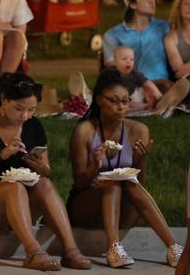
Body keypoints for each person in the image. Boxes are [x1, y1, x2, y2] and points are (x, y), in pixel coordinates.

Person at [0, 73, 91, 271]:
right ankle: (33, 252)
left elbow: (46, 170)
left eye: (32, 109)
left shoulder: (33, 125)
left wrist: (39, 166)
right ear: (3, 100)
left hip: (24, 194)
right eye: (19, 109)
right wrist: (0, 154)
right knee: (14, 188)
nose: (25, 116)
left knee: (45, 184)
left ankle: (70, 251)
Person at [67, 68, 183, 268]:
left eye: (126, 100)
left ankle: (173, 248)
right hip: (86, 205)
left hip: (123, 207)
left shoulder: (138, 130)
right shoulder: (85, 131)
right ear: (99, 100)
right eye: (114, 101)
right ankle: (114, 249)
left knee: (128, 181)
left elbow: (141, 184)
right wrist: (96, 164)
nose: (121, 107)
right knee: (113, 183)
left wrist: (140, 161)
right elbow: (79, 183)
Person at [103, 0, 171, 88]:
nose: (152, 1)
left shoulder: (164, 27)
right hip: (130, 87)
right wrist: (141, 81)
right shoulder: (113, 34)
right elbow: (111, 66)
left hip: (162, 85)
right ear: (133, 4)